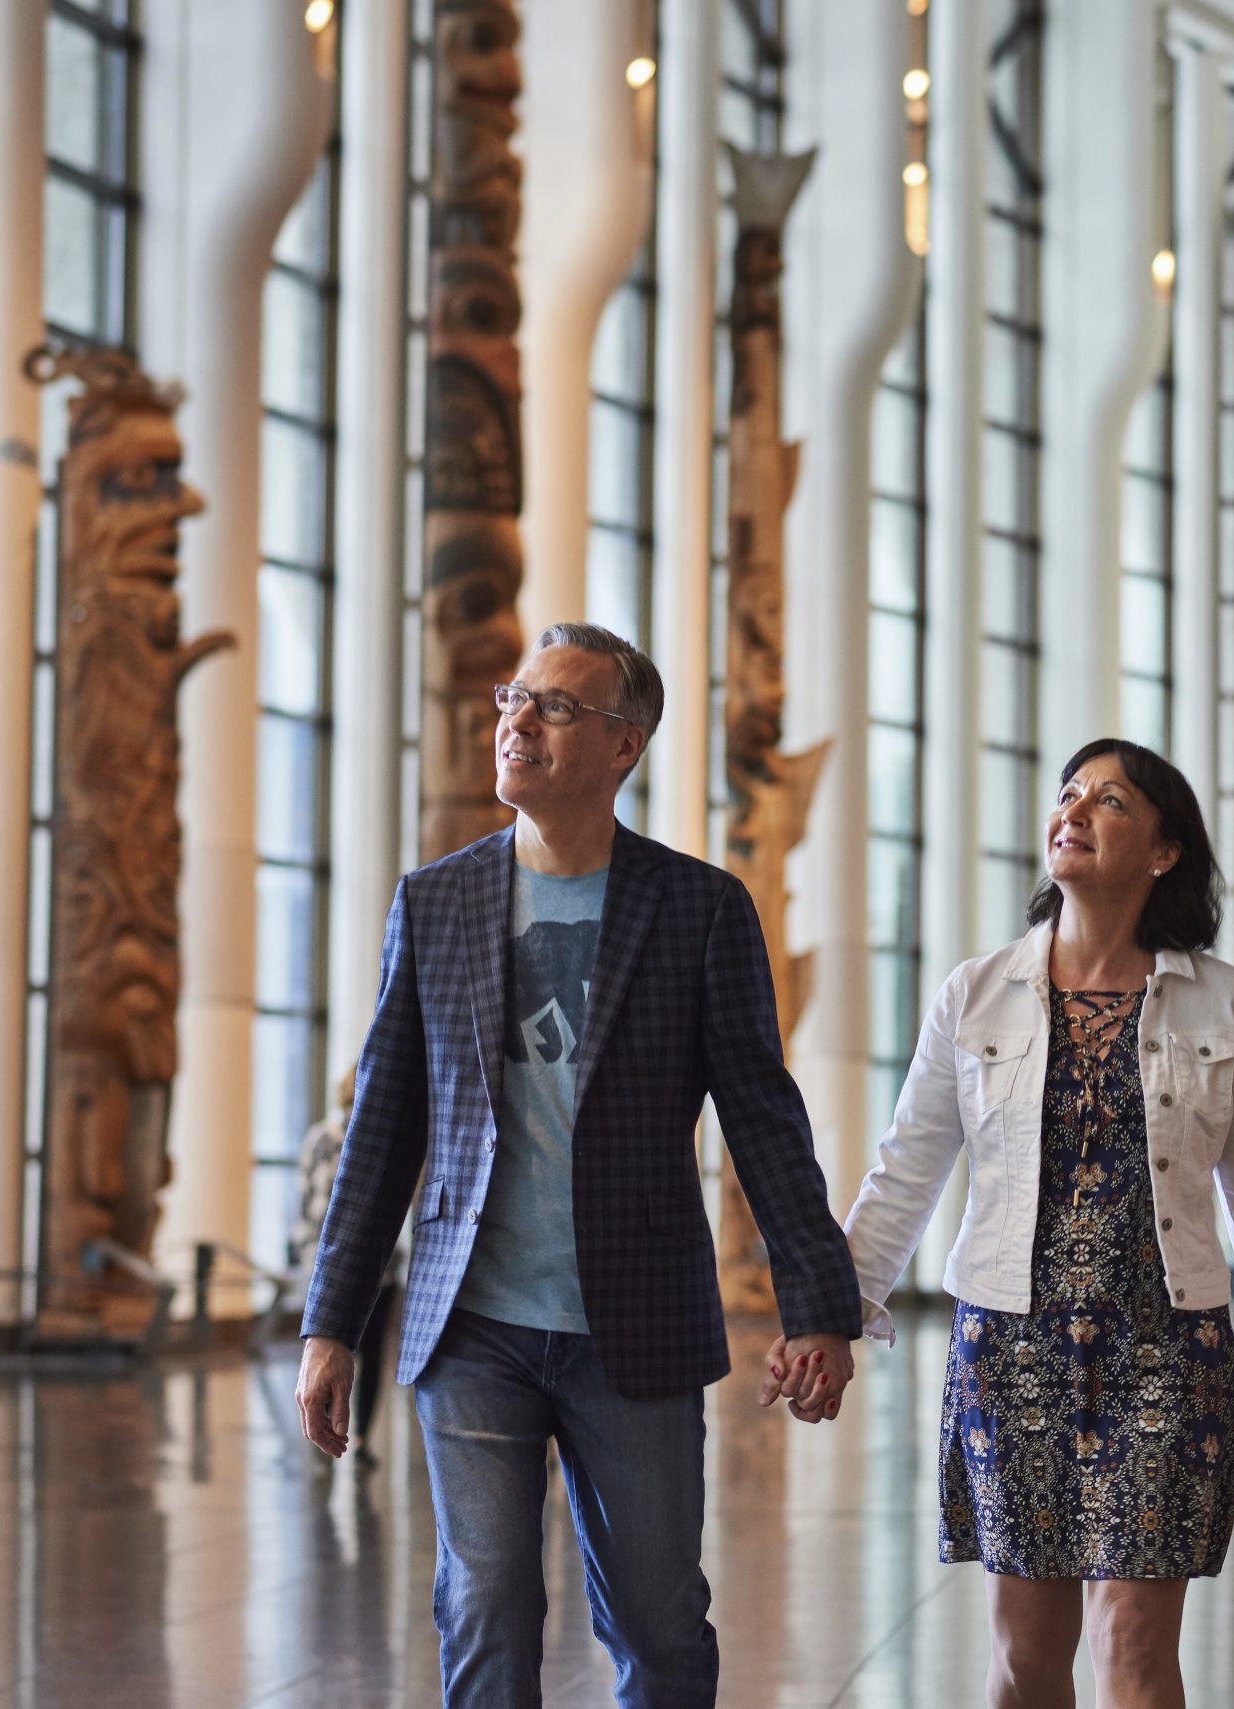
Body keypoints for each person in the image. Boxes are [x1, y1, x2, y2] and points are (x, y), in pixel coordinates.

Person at [293, 623, 860, 1709]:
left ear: (623, 746)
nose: (517, 719)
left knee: (655, 1623)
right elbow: (385, 1127)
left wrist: (816, 1305)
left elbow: (762, 1116)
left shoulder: (698, 909)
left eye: (555, 706)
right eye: (513, 697)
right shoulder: (436, 900)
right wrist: (333, 1322)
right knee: (484, 1602)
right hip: (472, 1320)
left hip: (633, 1325)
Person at [778, 737, 1234, 1709]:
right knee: (1025, 1660)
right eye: (1068, 795)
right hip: (1011, 1348)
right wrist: (831, 1315)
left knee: (1134, 1647)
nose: (1076, 811)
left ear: (1164, 850)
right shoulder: (973, 993)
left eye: (1111, 800)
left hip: (1168, 1352)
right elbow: (908, 1167)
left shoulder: (1219, 997)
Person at [287, 1066, 405, 1456]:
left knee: (371, 1353)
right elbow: (306, 1200)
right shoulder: (324, 1139)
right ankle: (319, 1432)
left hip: (380, 1269)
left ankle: (364, 1437)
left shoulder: (391, 1141)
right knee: (326, 1352)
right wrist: (305, 1252)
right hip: (324, 1265)